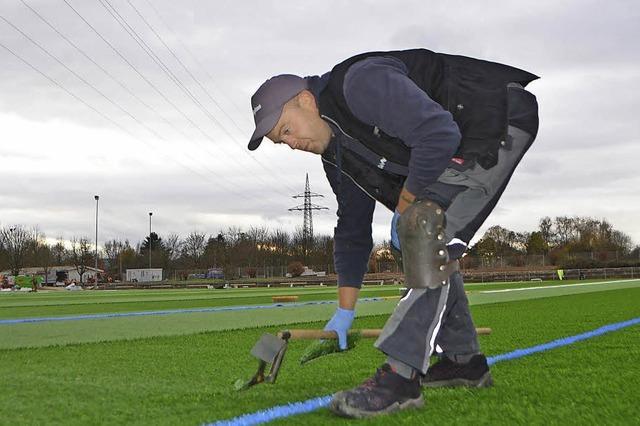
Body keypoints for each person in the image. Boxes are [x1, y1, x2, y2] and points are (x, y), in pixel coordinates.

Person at [248, 48, 539, 418]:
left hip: (491, 116)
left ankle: (401, 377)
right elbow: (352, 229)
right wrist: (344, 311)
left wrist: (407, 207)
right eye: (280, 142)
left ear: (306, 100)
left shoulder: (359, 84)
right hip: (457, 136)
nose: (290, 143)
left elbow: (438, 132)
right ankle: (464, 360)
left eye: (287, 129)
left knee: (422, 225)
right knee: (423, 230)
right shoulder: (336, 155)